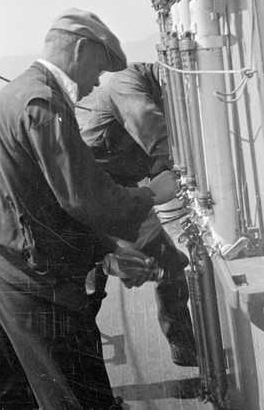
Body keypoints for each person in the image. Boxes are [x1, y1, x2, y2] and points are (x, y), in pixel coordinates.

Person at [0, 9, 179, 410]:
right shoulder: (44, 102)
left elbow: (42, 199)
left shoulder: (17, 92)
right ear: (81, 48)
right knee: (81, 395)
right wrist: (151, 193)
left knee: (7, 394)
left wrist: (106, 252)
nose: (97, 82)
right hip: (26, 277)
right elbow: (84, 198)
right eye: (98, 68)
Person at [77, 62, 197, 367]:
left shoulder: (156, 90)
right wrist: (186, 162)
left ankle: (183, 348)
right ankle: (77, 366)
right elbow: (149, 123)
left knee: (170, 266)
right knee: (87, 288)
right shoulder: (124, 81)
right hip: (98, 196)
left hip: (126, 194)